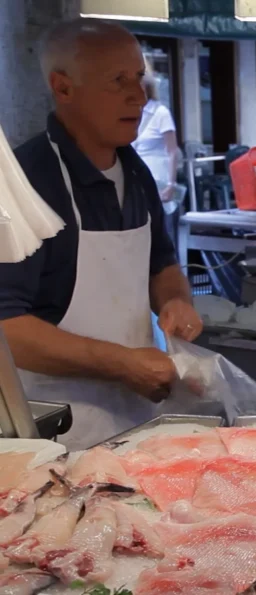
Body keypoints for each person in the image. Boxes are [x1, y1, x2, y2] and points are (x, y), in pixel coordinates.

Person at [0, 19, 203, 450]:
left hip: (136, 422)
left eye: (139, 78)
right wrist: (122, 364)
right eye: (118, 81)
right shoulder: (25, 182)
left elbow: (161, 261)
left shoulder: (135, 169)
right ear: (64, 87)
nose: (139, 95)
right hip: (53, 435)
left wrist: (175, 300)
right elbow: (7, 329)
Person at [132, 76, 181, 241]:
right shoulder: (131, 113)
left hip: (159, 182)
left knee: (163, 234)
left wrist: (171, 185)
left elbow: (172, 151)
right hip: (137, 184)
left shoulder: (161, 113)